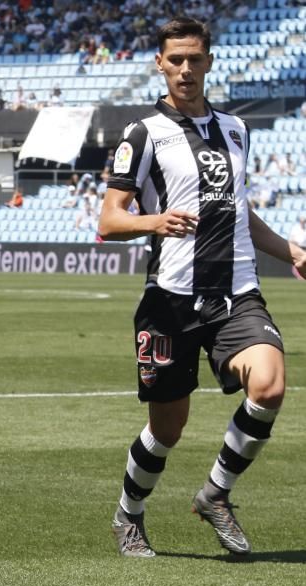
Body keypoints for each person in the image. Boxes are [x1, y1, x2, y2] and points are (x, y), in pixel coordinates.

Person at [98, 18, 306, 558]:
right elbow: (109, 220)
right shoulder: (142, 134)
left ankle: (215, 493)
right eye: (176, 60)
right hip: (169, 301)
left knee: (270, 385)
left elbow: (242, 214)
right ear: (160, 65)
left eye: (195, 58)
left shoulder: (237, 129)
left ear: (210, 62)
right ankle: (129, 514)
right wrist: (154, 221)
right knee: (167, 429)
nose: (186, 69)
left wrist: (292, 251)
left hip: (236, 292)